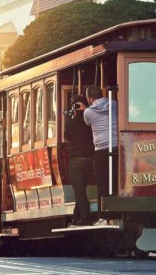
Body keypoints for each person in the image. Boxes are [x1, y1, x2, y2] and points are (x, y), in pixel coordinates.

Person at [83, 85, 118, 226]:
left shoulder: (88, 112)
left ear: (90, 98)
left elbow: (87, 124)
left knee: (102, 183)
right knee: (116, 181)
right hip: (116, 146)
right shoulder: (114, 104)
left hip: (101, 150)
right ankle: (118, 213)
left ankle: (104, 217)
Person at [63, 95, 94, 226]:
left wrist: (74, 116)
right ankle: (77, 216)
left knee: (79, 190)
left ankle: (86, 217)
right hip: (89, 160)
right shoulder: (90, 120)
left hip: (76, 160)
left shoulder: (72, 123)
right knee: (80, 189)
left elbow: (67, 136)